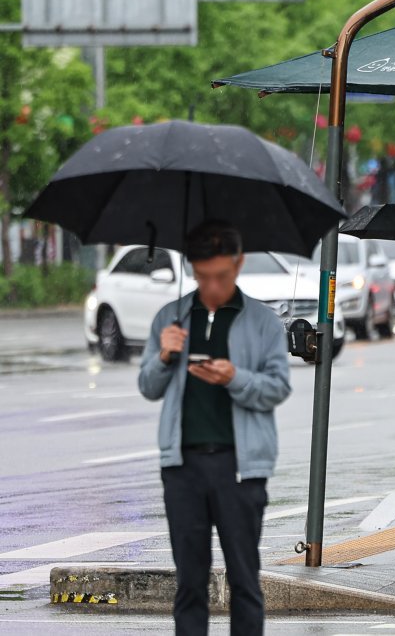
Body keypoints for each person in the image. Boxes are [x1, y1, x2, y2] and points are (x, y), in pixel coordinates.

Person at [138, 221, 291, 636]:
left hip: (239, 471)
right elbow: (148, 387)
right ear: (191, 268)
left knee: (244, 581)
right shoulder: (170, 318)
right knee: (189, 584)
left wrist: (234, 378)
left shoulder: (262, 321)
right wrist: (165, 356)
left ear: (238, 265)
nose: (212, 286)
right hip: (182, 468)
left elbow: (278, 387)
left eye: (221, 276)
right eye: (203, 276)